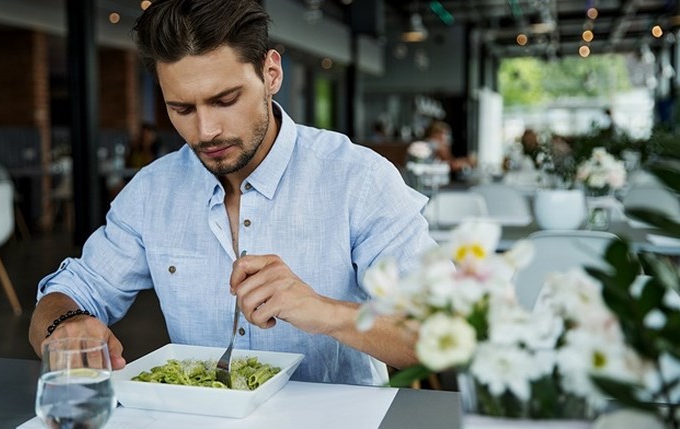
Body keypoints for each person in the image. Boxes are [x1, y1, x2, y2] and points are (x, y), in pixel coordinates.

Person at [28, 0, 436, 386]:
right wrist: (64, 325)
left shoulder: (358, 179)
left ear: (270, 74)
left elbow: (441, 339)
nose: (205, 131)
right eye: (182, 109)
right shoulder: (153, 191)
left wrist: (324, 311)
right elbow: (70, 291)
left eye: (225, 100)